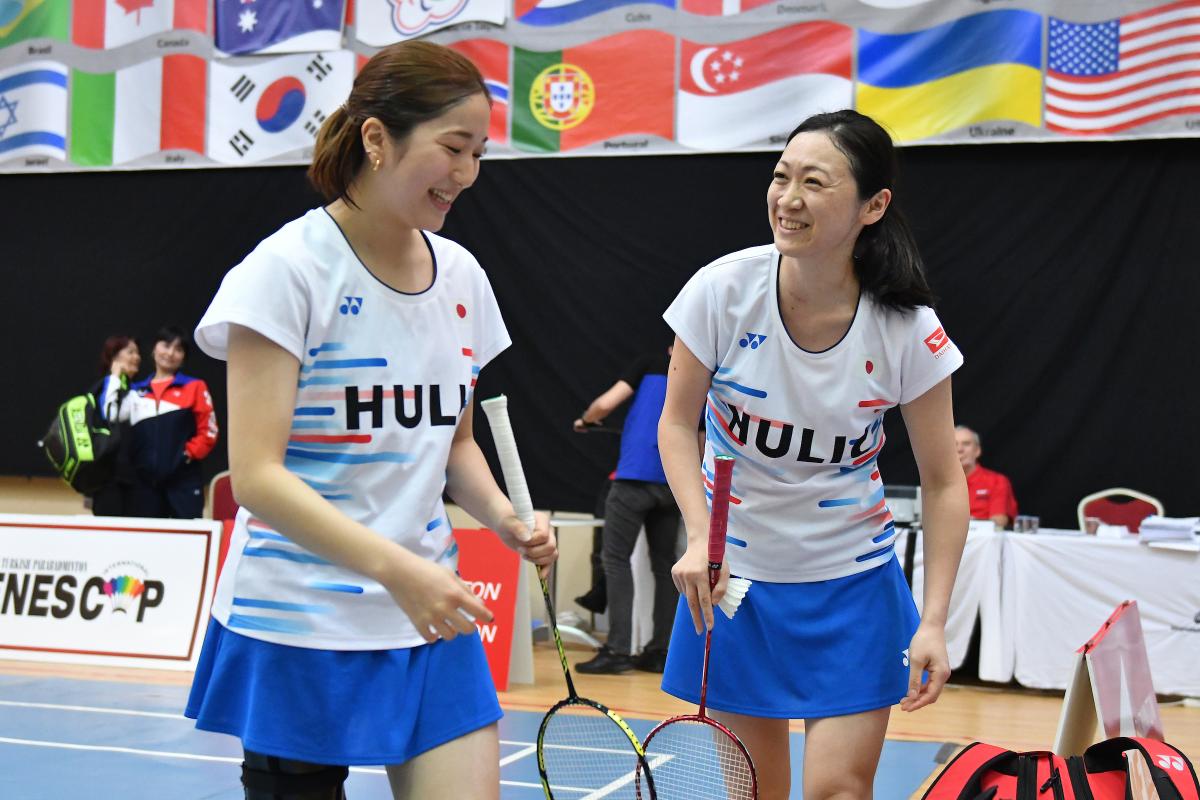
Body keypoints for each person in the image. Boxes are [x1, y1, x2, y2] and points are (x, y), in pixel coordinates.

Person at [183, 41, 557, 800]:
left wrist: (505, 516)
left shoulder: (461, 277)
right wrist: (395, 569)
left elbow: (454, 446)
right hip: (301, 620)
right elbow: (256, 478)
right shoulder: (284, 272)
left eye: (479, 153)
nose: (466, 174)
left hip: (428, 614)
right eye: (453, 148)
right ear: (377, 139)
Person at [657, 110, 969, 800]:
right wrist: (694, 532)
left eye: (813, 183)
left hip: (852, 586)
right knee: (756, 793)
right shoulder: (721, 291)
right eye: (780, 176)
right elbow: (676, 427)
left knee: (838, 791)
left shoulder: (907, 330)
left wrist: (937, 620)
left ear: (873, 205)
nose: (787, 198)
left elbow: (945, 483)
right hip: (732, 586)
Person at [573, 346, 681, 675]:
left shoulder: (648, 361)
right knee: (665, 568)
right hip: (672, 482)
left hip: (634, 479)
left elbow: (606, 403)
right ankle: (660, 652)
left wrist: (587, 420)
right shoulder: (703, 374)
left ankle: (618, 649)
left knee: (615, 560)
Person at [110, 325, 219, 519]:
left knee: (187, 543)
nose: (170, 353)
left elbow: (209, 431)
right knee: (146, 543)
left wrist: (186, 454)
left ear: (184, 356)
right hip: (144, 486)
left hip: (184, 482)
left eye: (178, 349)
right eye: (166, 345)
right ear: (154, 349)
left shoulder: (195, 386)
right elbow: (110, 416)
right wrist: (117, 376)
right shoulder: (136, 392)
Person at [89, 335, 141, 516]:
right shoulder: (106, 386)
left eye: (138, 353)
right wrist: (115, 375)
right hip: (109, 478)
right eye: (131, 352)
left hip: (131, 477)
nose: (137, 357)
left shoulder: (132, 388)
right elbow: (109, 415)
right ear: (114, 356)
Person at [955, 425, 1017, 530]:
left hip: (983, 542)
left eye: (966, 444)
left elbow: (999, 522)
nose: (960, 449)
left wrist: (968, 522)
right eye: (954, 444)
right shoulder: (938, 483)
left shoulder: (996, 481)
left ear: (977, 451)